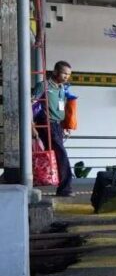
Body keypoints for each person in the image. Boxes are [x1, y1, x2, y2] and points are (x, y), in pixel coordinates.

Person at [31, 61, 75, 196]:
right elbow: (30, 105)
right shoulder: (43, 86)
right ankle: (65, 188)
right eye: (64, 73)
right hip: (46, 124)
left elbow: (62, 108)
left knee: (57, 155)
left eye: (68, 74)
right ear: (55, 72)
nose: (66, 76)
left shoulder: (62, 88)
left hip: (58, 125)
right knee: (61, 155)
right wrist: (32, 127)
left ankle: (61, 186)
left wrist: (65, 126)